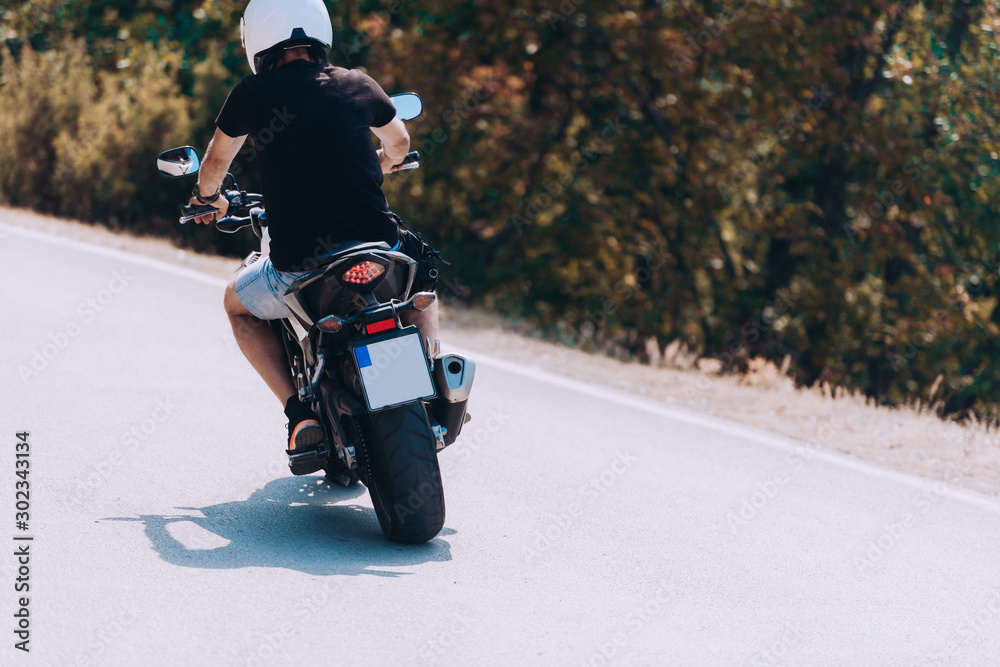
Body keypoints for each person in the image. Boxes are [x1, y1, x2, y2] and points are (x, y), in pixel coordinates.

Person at [187, 0, 439, 475]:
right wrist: (380, 167)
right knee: (420, 281)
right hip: (380, 252)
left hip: (302, 268)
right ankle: (429, 376)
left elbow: (215, 164)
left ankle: (300, 415)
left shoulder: (252, 94)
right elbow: (400, 143)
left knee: (236, 305)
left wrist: (207, 199)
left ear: (256, 40)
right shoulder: (357, 83)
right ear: (320, 35)